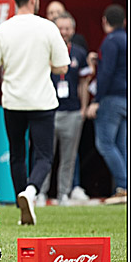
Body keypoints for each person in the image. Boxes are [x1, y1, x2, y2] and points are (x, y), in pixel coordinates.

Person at [0, 0, 68, 227]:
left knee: (17, 154)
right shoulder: (48, 27)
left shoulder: (2, 30)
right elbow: (62, 66)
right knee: (44, 156)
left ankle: (21, 205)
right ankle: (32, 190)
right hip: (42, 101)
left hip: (13, 102)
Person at [43, 12, 92, 205]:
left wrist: (83, 109)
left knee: (69, 158)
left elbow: (84, 82)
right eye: (60, 28)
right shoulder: (46, 50)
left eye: (67, 28)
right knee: (45, 157)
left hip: (72, 112)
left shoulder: (79, 52)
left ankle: (64, 194)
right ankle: (41, 194)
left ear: (73, 29)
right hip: (49, 110)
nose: (63, 32)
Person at [88, 4, 128, 205]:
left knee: (104, 143)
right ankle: (124, 186)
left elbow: (107, 73)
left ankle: (123, 187)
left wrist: (96, 100)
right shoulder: (125, 39)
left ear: (104, 21)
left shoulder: (110, 41)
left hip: (111, 98)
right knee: (121, 146)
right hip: (125, 98)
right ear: (124, 22)